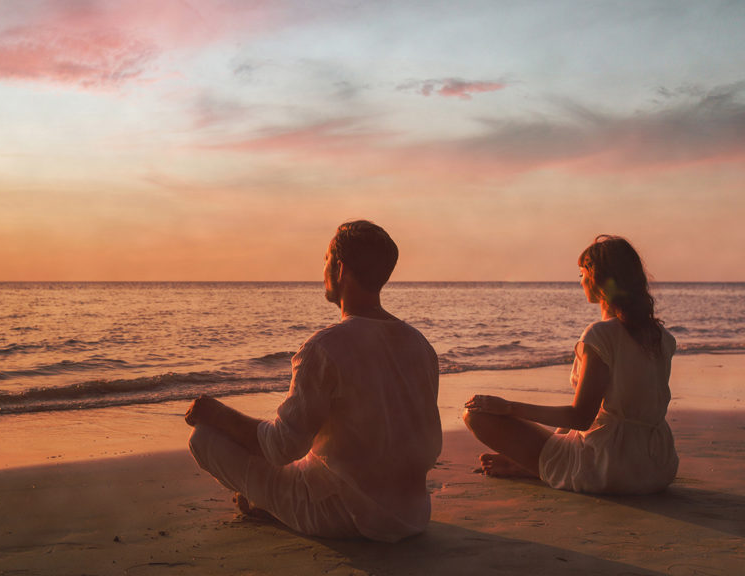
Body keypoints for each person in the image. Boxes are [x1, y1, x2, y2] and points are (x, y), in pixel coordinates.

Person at [184, 220, 441, 542]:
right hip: (411, 514)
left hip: (342, 516)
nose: (322, 270)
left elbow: (281, 447)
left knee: (204, 437)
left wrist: (219, 415)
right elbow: (427, 444)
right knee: (317, 449)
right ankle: (272, 501)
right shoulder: (419, 344)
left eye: (325, 260)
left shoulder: (325, 347)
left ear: (340, 267)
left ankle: (273, 506)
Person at [464, 235, 678, 494]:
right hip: (657, 466)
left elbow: (580, 417)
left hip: (609, 467)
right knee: (561, 441)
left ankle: (535, 468)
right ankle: (537, 465)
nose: (580, 281)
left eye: (581, 273)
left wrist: (508, 407)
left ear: (597, 278)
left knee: (476, 415)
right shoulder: (661, 336)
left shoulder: (600, 335)